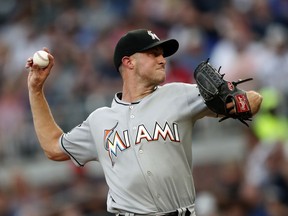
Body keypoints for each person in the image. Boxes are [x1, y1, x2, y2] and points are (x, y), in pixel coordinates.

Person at [25, 29, 262, 216]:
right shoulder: (100, 121)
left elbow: (253, 100)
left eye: (163, 54)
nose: (162, 60)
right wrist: (35, 90)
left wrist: (237, 100)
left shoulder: (180, 95)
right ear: (129, 62)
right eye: (153, 54)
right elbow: (53, 147)